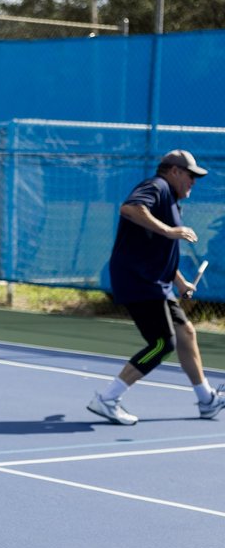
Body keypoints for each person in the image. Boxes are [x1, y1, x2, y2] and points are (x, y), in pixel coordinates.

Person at [87, 149, 225, 425]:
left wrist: (180, 281)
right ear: (174, 171)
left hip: (158, 282)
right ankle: (108, 398)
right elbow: (129, 208)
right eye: (190, 176)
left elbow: (156, 251)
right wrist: (170, 231)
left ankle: (207, 399)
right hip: (138, 279)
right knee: (163, 343)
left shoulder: (172, 201)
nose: (193, 182)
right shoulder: (157, 187)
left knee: (185, 332)